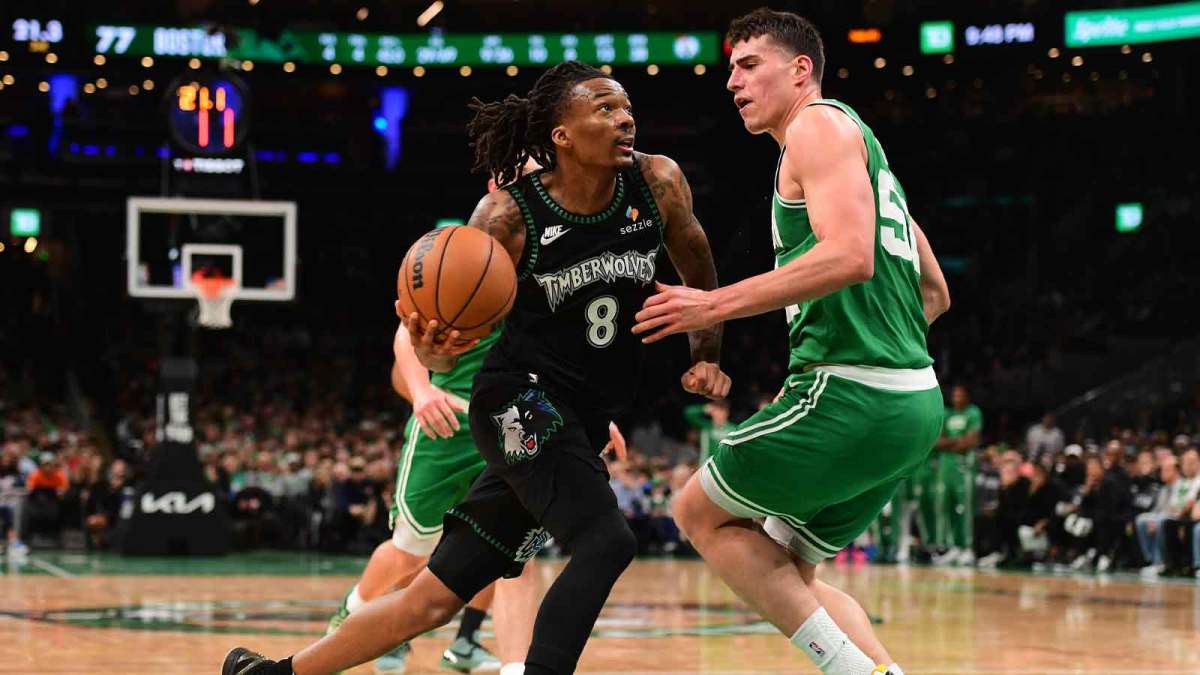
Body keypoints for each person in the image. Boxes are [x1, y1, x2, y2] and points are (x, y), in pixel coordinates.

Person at [224, 60, 730, 675]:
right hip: (517, 402)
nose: (625, 118)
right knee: (606, 541)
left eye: (626, 107)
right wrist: (433, 350)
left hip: (583, 412)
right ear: (562, 136)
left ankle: (270, 674)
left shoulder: (658, 182)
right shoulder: (507, 219)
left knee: (433, 597)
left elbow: (698, 267)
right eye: (604, 108)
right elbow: (447, 347)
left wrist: (706, 353)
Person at [633, 9, 949, 675]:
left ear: (800, 69)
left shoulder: (816, 126)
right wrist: (875, 353)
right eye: (730, 69)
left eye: (749, 65)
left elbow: (851, 256)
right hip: (913, 401)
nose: (732, 82)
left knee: (697, 510)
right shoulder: (867, 154)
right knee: (785, 569)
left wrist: (714, 303)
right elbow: (934, 293)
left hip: (854, 393)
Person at [321, 167, 543, 675]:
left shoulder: (556, 249)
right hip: (450, 420)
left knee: (517, 553)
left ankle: (510, 665)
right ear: (496, 183)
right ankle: (348, 624)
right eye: (524, 176)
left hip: (518, 415)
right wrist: (422, 392)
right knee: (408, 550)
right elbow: (409, 330)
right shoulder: (460, 243)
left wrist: (584, 416)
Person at [929, 385, 983, 567]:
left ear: (967, 396)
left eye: (960, 394)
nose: (956, 397)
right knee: (947, 506)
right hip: (946, 467)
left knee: (965, 508)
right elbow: (936, 441)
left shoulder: (973, 412)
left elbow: (972, 441)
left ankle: (968, 548)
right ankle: (954, 547)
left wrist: (951, 443)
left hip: (964, 468)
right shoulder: (947, 413)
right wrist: (958, 441)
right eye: (954, 394)